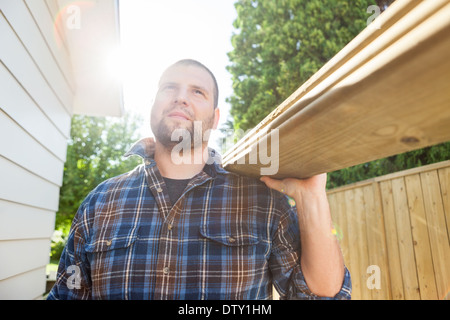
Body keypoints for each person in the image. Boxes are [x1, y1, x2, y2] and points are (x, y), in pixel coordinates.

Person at [47, 59, 351, 300]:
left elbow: (320, 296)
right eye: (169, 87)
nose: (180, 97)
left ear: (215, 118)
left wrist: (312, 197)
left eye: (197, 91)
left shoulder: (262, 200)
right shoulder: (99, 203)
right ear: (152, 104)